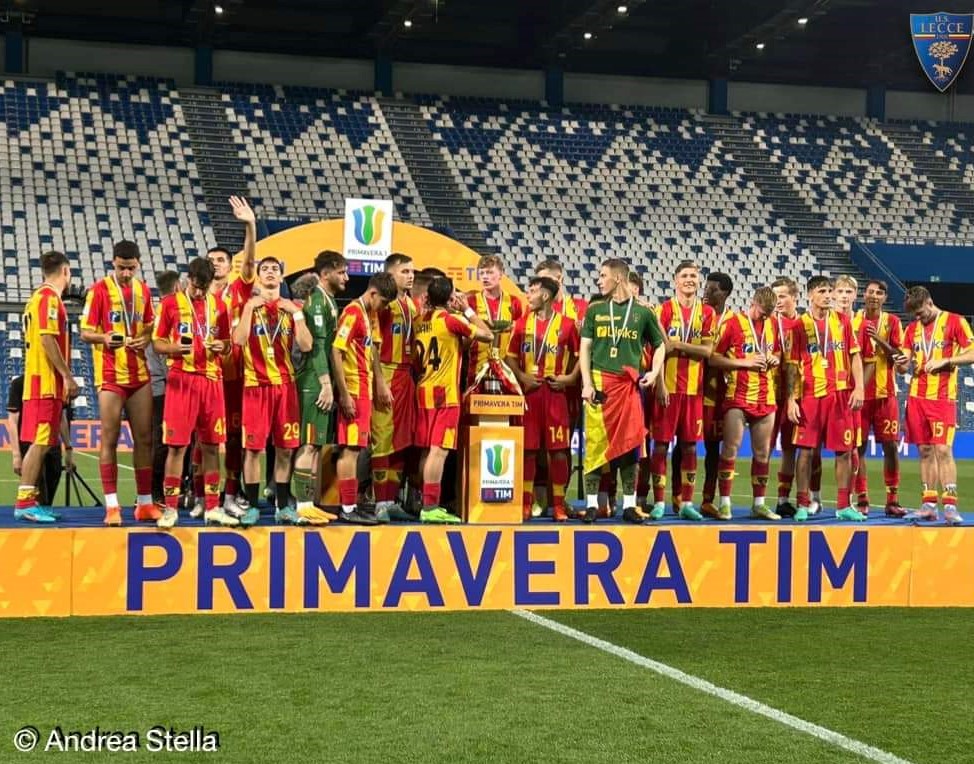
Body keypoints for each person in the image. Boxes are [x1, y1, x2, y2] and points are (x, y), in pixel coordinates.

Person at [580, 259, 665, 523]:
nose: (598, 280)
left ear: (617, 278)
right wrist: (587, 383)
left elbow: (661, 344)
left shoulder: (643, 313)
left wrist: (654, 371)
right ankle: (592, 505)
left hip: (628, 387)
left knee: (630, 445)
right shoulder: (595, 310)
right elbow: (584, 348)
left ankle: (629, 505)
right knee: (595, 444)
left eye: (602, 275)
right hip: (600, 384)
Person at [152, 258, 235, 528]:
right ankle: (170, 509)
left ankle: (212, 507)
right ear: (188, 279)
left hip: (211, 381)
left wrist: (222, 347)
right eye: (196, 286)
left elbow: (228, 343)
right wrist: (175, 349)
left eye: (204, 288)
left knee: (211, 446)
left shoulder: (220, 306)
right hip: (182, 380)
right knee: (177, 447)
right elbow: (157, 342)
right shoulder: (170, 304)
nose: (199, 292)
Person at [79, 240, 156, 525]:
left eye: (131, 268)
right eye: (122, 267)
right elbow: (85, 332)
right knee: (109, 438)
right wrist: (104, 337)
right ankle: (112, 506)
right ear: (113, 262)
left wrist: (145, 339)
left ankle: (145, 504)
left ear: (138, 264)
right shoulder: (99, 290)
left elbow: (150, 325)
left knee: (145, 439)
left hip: (139, 374)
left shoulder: (143, 290)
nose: (126, 273)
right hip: (111, 375)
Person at [234, 256, 312, 525]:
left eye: (275, 269)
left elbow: (306, 345)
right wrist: (248, 308)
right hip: (255, 387)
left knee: (285, 449)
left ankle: (282, 505)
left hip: (285, 387)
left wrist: (296, 313)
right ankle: (252, 506)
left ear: (281, 277)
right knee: (253, 450)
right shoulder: (247, 307)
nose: (270, 272)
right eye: (264, 269)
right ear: (258, 277)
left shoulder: (292, 310)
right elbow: (238, 340)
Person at [785, 276, 865, 522]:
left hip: (840, 394)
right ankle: (802, 503)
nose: (828, 295)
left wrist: (859, 387)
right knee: (806, 452)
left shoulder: (842, 321)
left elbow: (854, 355)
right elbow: (791, 366)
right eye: (822, 291)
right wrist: (791, 400)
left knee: (844, 451)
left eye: (830, 291)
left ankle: (843, 505)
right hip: (810, 396)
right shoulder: (798, 326)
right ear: (810, 295)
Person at [414, 277, 493, 523]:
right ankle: (430, 507)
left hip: (423, 389)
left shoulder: (419, 321)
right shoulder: (452, 320)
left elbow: (454, 345)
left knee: (426, 451)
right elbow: (488, 335)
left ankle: (423, 502)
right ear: (450, 298)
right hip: (445, 394)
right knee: (439, 451)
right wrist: (467, 309)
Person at [897, 286, 974, 524]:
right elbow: (903, 366)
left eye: (920, 312)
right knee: (925, 451)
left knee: (943, 450)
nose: (918, 318)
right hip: (916, 397)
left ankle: (950, 505)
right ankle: (929, 504)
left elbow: (972, 353)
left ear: (929, 303)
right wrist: (899, 362)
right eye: (914, 315)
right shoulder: (911, 329)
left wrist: (947, 360)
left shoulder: (955, 321)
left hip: (942, 398)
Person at [506, 276, 580, 522]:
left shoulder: (567, 325)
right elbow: (510, 356)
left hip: (555, 393)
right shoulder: (521, 324)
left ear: (545, 296)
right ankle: (526, 504)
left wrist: (569, 378)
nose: (528, 295)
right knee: (528, 451)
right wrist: (522, 376)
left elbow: (581, 355)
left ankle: (558, 506)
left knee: (558, 452)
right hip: (530, 393)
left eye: (533, 291)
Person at [15, 251, 79, 522]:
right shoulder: (49, 298)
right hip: (45, 383)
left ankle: (31, 501)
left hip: (40, 382)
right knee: (41, 443)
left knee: (43, 442)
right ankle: (24, 503)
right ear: (65, 271)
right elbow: (47, 339)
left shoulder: (36, 298)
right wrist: (67, 376)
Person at [708, 287, 782, 520]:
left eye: (769, 313)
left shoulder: (773, 324)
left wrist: (774, 358)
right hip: (738, 396)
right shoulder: (733, 323)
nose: (765, 317)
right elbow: (713, 358)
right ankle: (724, 503)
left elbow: (778, 352)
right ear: (753, 302)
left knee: (763, 452)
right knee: (731, 448)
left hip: (766, 396)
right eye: (762, 312)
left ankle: (759, 504)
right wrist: (744, 363)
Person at [650, 260, 716, 521]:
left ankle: (687, 502)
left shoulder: (707, 312)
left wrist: (677, 344)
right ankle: (658, 502)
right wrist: (660, 384)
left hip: (693, 391)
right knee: (660, 446)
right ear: (675, 281)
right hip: (667, 389)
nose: (690, 279)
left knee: (689, 447)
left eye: (694, 276)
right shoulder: (664, 310)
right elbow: (658, 351)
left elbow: (707, 351)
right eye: (685, 275)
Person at [204, 196, 257, 517]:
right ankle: (201, 495)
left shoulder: (238, 290)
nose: (216, 264)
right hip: (204, 375)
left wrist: (250, 225)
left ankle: (231, 494)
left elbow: (249, 262)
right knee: (203, 439)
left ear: (229, 265)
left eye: (221, 259)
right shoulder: (195, 296)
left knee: (235, 438)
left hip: (236, 376)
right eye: (211, 260)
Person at [331, 273, 397, 523]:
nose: (384, 307)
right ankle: (347, 508)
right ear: (373, 293)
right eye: (383, 302)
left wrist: (379, 382)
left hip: (364, 389)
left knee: (357, 449)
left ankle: (351, 505)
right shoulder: (353, 313)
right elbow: (336, 351)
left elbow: (372, 351)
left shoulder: (370, 315)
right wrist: (344, 394)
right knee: (350, 450)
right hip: (354, 390)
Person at [290, 252, 349, 524]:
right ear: (326, 274)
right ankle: (302, 506)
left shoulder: (329, 300)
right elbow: (315, 348)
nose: (346, 278)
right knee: (308, 444)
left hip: (320, 381)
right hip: (313, 382)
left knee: (315, 445)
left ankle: (309, 503)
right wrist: (326, 384)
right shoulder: (316, 301)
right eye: (341, 272)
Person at [370, 253, 419, 522]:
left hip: (406, 376)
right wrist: (379, 381)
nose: (410, 276)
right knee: (382, 440)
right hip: (386, 373)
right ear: (390, 274)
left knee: (401, 440)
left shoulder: (410, 304)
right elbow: (373, 348)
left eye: (412, 272)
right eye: (404, 272)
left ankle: (391, 500)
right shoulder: (383, 306)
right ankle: (379, 502)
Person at [852, 280, 906, 517]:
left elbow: (899, 357)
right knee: (858, 447)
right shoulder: (853, 320)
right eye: (871, 292)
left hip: (885, 395)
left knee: (891, 446)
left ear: (884, 298)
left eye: (880, 293)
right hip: (860, 395)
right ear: (864, 295)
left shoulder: (892, 322)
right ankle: (862, 497)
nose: (874, 296)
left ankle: (892, 500)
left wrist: (879, 339)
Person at [699, 271, 734, 518]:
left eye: (712, 289)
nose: (706, 292)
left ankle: (709, 499)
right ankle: (679, 498)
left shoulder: (734, 321)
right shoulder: (697, 314)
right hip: (693, 388)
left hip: (721, 393)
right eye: (706, 288)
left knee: (715, 449)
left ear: (725, 293)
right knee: (685, 445)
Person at [8, 374, 72, 508]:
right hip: (28, 442)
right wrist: (16, 455)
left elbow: (61, 417)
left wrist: (68, 448)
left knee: (53, 477)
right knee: (37, 482)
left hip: (52, 443)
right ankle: (33, 508)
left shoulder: (56, 382)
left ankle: (45, 508)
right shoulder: (19, 383)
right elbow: (13, 421)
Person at [146, 270, 179, 504]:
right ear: (177, 287)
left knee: (164, 442)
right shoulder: (167, 313)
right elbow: (161, 354)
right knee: (163, 442)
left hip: (157, 386)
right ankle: (154, 492)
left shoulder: (155, 314)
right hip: (164, 388)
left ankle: (155, 492)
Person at [770, 277, 801, 517]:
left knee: (791, 448)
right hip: (770, 394)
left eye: (782, 296)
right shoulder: (768, 323)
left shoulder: (804, 325)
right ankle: (759, 499)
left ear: (794, 297)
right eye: (775, 297)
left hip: (796, 396)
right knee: (765, 448)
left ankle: (783, 499)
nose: (778, 301)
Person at [467, 254, 522, 387]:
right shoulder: (471, 302)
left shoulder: (514, 302)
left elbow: (519, 336)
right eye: (482, 273)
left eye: (490, 272)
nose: (485, 277)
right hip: (477, 368)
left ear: (501, 274)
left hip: (507, 370)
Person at [535, 258, 587, 324]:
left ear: (560, 280)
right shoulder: (533, 309)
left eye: (545, 280)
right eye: (538, 282)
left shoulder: (582, 306)